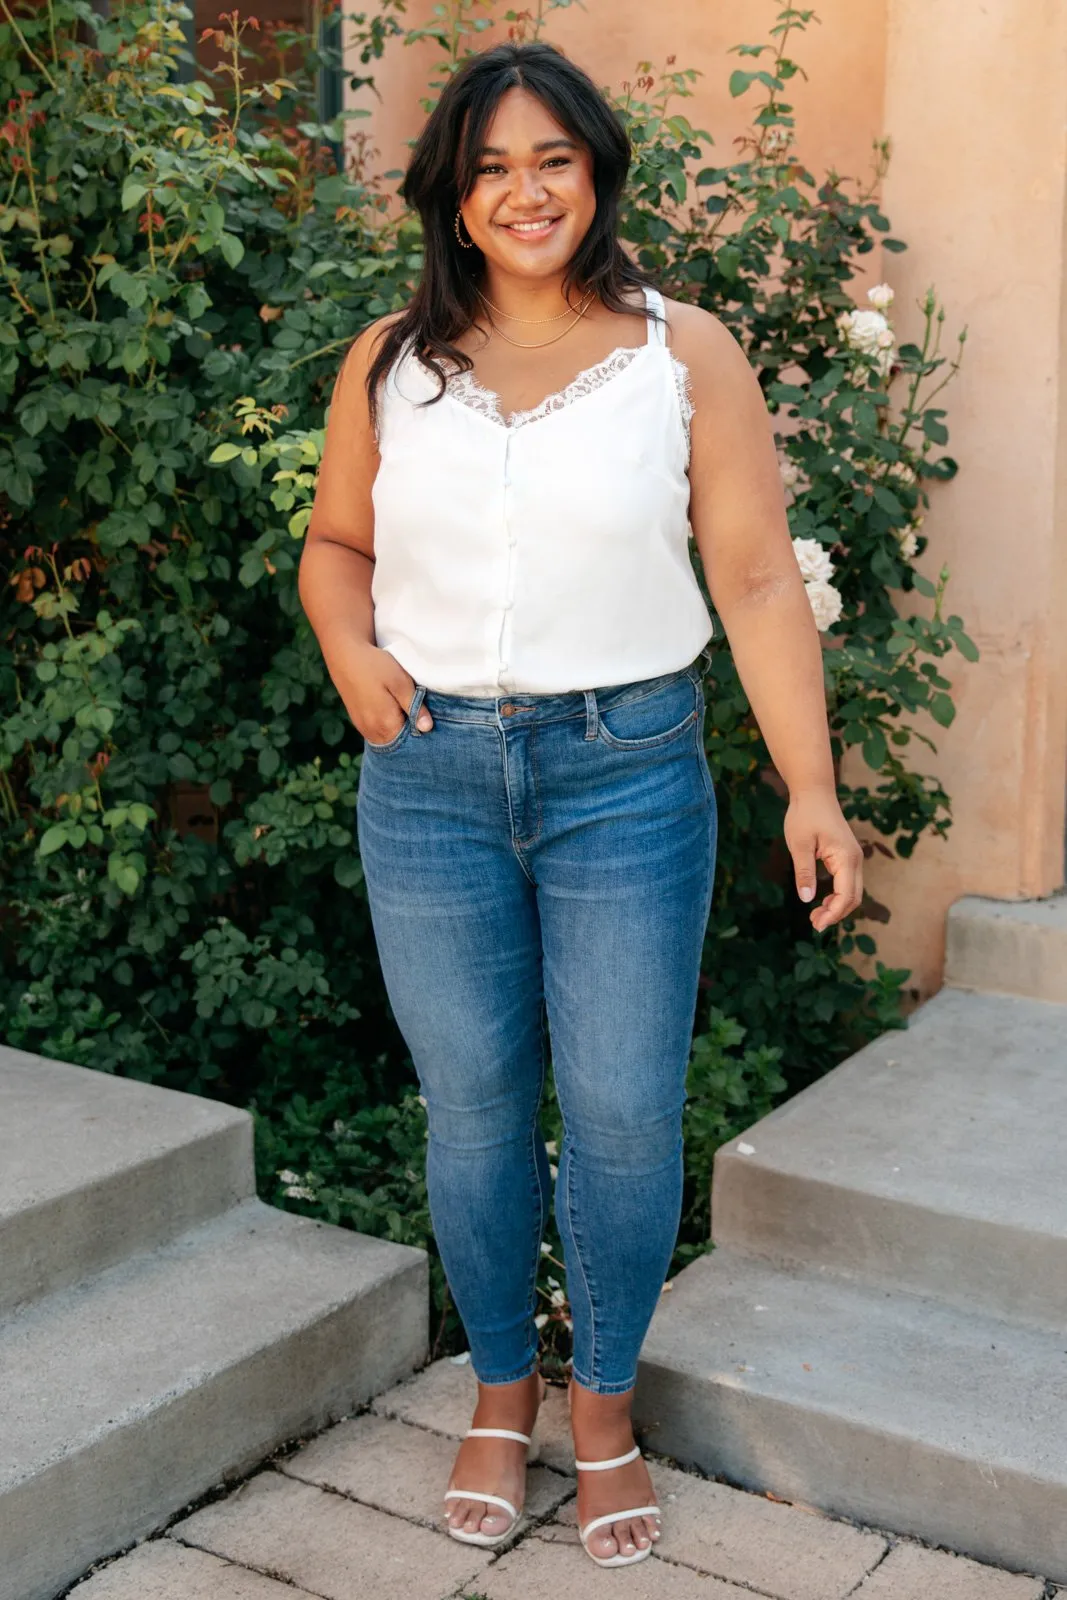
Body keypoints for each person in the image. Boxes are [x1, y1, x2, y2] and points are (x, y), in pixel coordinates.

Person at [300, 38, 863, 1572]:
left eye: (550, 158)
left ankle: (599, 1404)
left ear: (596, 172)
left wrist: (809, 790)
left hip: (626, 775)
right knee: (474, 1108)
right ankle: (499, 1392)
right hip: (427, 778)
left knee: (618, 1116)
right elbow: (337, 546)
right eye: (488, 168)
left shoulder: (684, 356)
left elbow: (750, 578)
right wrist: (349, 649)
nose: (522, 190)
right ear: (451, 198)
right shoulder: (386, 363)